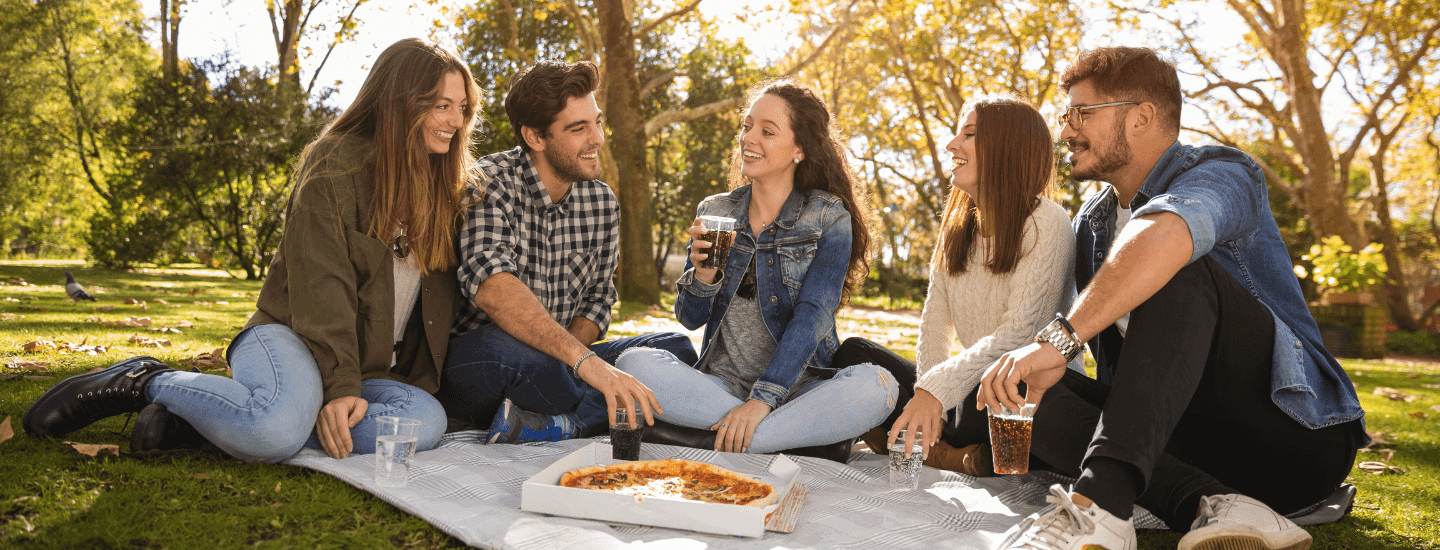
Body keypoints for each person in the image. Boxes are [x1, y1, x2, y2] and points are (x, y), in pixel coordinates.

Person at [23, 38, 480, 461]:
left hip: (369, 369)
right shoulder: (336, 162)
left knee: (424, 423)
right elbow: (323, 286)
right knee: (274, 430)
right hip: (291, 337)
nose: (456, 122)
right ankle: (147, 380)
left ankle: (203, 425)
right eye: (442, 106)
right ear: (400, 102)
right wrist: (340, 388)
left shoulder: (445, 191)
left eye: (462, 108)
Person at [984, 47, 1366, 550]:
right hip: (1184, 450)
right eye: (1065, 115)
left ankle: (1103, 504)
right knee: (1022, 392)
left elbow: (1166, 235)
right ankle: (1216, 505)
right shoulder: (1090, 227)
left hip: (1293, 443)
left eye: (1082, 113)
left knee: (1180, 267)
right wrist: (1039, 362)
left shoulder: (1225, 173)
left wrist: (1063, 339)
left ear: (1141, 116)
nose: (1067, 131)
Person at [613, 82, 897, 455]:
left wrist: (763, 399)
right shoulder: (716, 211)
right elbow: (689, 318)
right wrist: (702, 275)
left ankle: (720, 436)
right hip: (721, 387)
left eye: (767, 131)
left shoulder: (827, 217)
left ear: (800, 149)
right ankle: (792, 439)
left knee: (879, 385)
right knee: (633, 362)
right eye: (747, 126)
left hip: (799, 389)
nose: (749, 138)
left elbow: (813, 316)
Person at [437, 60, 696, 445]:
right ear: (535, 137)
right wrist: (585, 363)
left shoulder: (602, 201)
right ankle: (600, 417)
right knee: (513, 349)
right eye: (579, 129)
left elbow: (598, 300)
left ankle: (561, 422)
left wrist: (575, 357)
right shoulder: (490, 181)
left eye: (598, 122)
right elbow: (493, 286)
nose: (598, 139)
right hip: (484, 359)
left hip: (560, 358)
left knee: (674, 349)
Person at [832, 96, 1079, 474]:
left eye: (969, 134)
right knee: (854, 353)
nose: (951, 144)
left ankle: (928, 443)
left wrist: (937, 393)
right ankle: (949, 452)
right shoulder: (956, 230)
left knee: (995, 398)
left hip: (1019, 392)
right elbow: (934, 326)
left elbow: (1018, 336)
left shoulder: (1048, 222)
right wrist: (927, 398)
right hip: (963, 390)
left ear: (1007, 148)